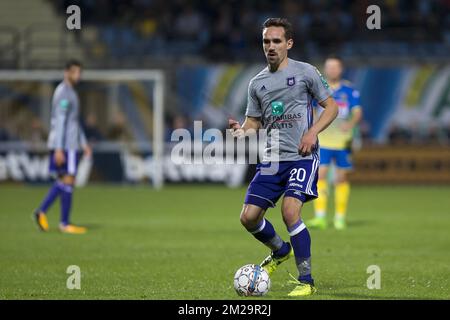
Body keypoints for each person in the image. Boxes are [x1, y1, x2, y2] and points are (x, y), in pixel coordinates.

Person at [229, 18, 338, 297]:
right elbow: (253, 122)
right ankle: (280, 250)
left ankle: (306, 280)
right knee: (248, 218)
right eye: (266, 41)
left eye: (276, 41)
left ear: (289, 43)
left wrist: (312, 132)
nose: (271, 46)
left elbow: (331, 107)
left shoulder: (306, 72)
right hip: (272, 159)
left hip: (302, 156)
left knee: (291, 212)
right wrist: (241, 133)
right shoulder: (257, 83)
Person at [33, 59, 91, 234]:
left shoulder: (71, 92)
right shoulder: (64, 93)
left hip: (69, 143)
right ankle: (64, 223)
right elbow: (61, 121)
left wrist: (84, 142)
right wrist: (59, 148)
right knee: (69, 180)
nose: (77, 75)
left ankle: (41, 212)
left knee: (64, 181)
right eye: (74, 72)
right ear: (66, 73)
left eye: (79, 72)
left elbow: (74, 122)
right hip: (65, 145)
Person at [308, 56, 363, 230]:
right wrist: (315, 126)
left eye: (335, 67)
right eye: (329, 67)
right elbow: (311, 110)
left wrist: (351, 124)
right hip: (323, 141)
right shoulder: (318, 89)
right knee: (321, 175)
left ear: (341, 69)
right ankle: (321, 217)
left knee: (342, 178)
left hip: (342, 142)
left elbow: (357, 112)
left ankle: (340, 217)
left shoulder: (349, 90)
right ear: (325, 69)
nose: (332, 70)